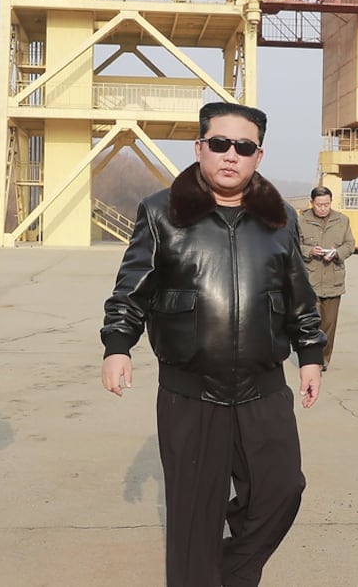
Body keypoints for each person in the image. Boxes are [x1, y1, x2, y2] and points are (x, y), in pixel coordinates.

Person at [100, 102, 325, 587]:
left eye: (243, 147)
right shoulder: (161, 212)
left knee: (282, 491)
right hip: (191, 390)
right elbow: (131, 288)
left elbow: (299, 297)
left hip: (263, 387)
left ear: (258, 156)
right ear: (200, 148)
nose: (230, 155)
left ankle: (226, 571)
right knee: (193, 518)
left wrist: (311, 356)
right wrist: (118, 344)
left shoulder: (280, 218)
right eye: (219, 144)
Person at [297, 186, 356, 369]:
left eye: (327, 204)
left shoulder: (342, 220)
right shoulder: (301, 221)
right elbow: (293, 245)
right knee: (310, 323)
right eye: (319, 205)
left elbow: (350, 244)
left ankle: (323, 358)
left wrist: (337, 253)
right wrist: (309, 251)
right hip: (310, 280)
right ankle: (311, 359)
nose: (323, 208)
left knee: (329, 324)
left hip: (333, 279)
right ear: (312, 203)